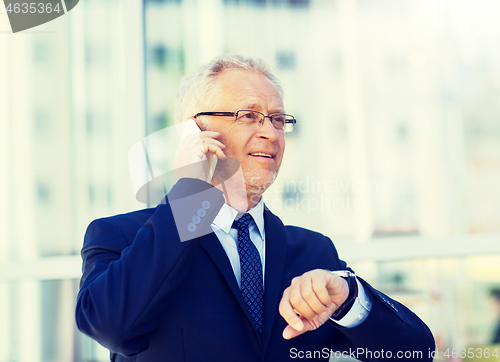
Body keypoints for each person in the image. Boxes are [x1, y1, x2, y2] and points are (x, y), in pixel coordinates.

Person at [76, 55, 435, 361]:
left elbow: (417, 352)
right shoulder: (120, 236)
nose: (271, 133)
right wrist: (191, 190)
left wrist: (347, 299)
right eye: (249, 116)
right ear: (194, 131)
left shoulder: (313, 252)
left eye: (279, 119)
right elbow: (110, 325)